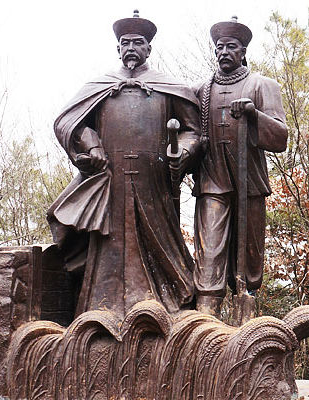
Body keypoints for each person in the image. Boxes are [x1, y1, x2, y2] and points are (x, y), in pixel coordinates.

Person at [48, 11, 201, 318]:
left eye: (138, 42)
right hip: (112, 179)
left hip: (154, 181)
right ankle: (101, 310)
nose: (131, 47)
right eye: (125, 43)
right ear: (118, 49)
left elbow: (193, 131)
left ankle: (169, 308)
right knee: (109, 243)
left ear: (149, 48)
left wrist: (182, 151)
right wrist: (92, 145)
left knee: (161, 242)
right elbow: (69, 122)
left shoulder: (169, 87)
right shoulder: (101, 86)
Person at [193, 16, 289, 316]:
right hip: (212, 181)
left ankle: (246, 312)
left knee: (249, 256)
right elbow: (188, 133)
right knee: (209, 251)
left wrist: (254, 114)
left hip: (250, 184)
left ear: (243, 51)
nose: (224, 52)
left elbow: (280, 138)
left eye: (231, 47)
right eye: (220, 47)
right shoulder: (200, 90)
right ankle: (205, 315)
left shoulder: (263, 85)